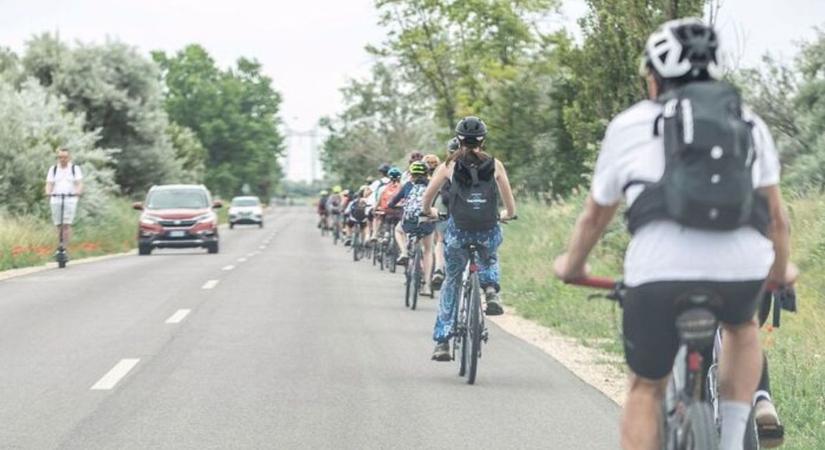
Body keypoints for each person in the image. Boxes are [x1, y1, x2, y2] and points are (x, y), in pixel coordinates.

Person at [552, 19, 793, 450]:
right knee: (741, 328)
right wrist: (777, 271)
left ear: (653, 77)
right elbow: (777, 218)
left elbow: (594, 217)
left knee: (645, 388)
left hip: (659, 271)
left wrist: (573, 265)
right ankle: (736, 438)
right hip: (741, 270)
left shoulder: (629, 125)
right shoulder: (749, 122)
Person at [421, 116, 517, 361]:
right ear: (483, 139)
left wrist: (429, 212)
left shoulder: (448, 165)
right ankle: (490, 287)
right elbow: (510, 206)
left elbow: (427, 198)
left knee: (451, 281)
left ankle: (443, 342)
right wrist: (506, 215)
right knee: (491, 250)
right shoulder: (496, 165)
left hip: (458, 232)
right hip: (487, 228)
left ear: (459, 138)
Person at [389, 161, 436, 296]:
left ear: (411, 174)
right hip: (427, 221)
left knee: (398, 230)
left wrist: (394, 206)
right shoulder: (432, 185)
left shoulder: (407, 186)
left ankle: (404, 252)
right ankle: (427, 285)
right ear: (427, 174)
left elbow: (392, 202)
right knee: (428, 250)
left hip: (409, 223)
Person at [45, 147, 84, 250]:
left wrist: (78, 192)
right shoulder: (53, 169)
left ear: (69, 157)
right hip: (56, 199)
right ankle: (59, 245)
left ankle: (65, 247)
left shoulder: (74, 169)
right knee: (58, 224)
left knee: (66, 224)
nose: (63, 159)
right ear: (58, 158)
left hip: (70, 199)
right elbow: (49, 183)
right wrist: (48, 192)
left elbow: (79, 183)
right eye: (60, 157)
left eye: (65, 157)